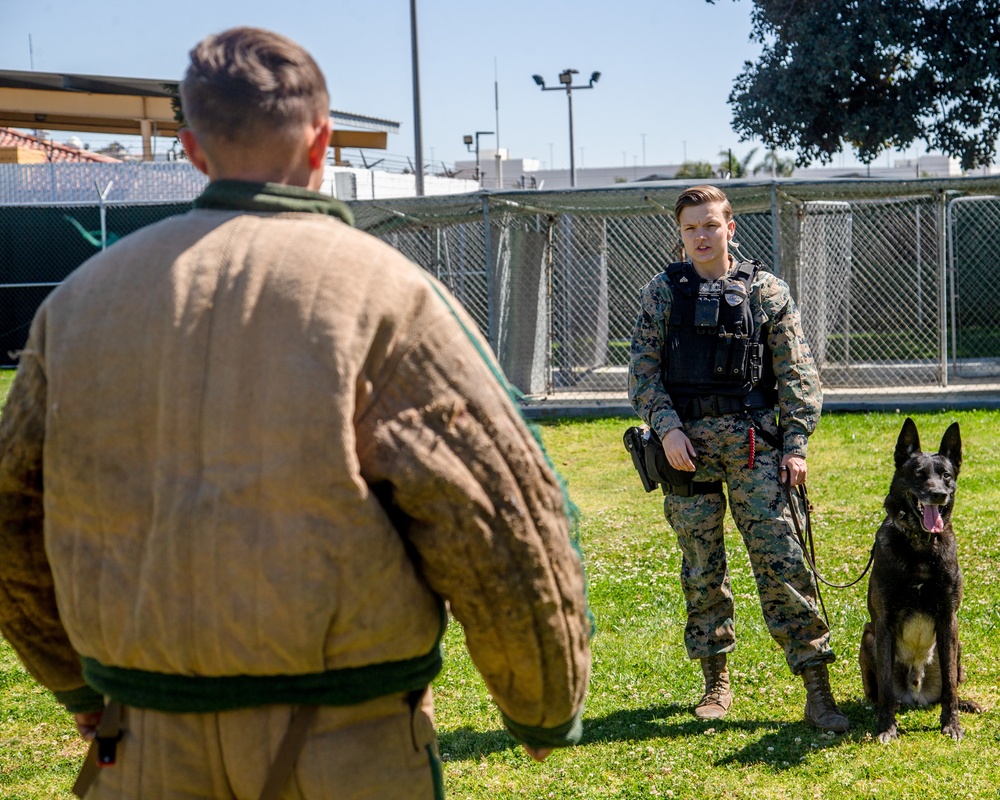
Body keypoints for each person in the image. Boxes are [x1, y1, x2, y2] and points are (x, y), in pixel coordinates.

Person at [0, 27, 591, 799]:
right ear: (321, 143)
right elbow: (498, 523)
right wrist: (540, 706)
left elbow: (12, 515)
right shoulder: (388, 295)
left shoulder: (76, 306)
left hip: (142, 746)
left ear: (192, 150)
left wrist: (77, 686)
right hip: (345, 748)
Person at [628, 185, 848, 733]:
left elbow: (798, 375)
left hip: (755, 446)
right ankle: (715, 682)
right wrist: (668, 428)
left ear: (730, 229)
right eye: (690, 229)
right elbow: (642, 375)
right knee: (702, 567)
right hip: (686, 453)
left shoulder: (766, 291)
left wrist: (795, 445)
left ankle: (817, 687)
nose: (701, 236)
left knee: (782, 560)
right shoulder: (662, 293)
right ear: (681, 236)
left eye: (710, 225)